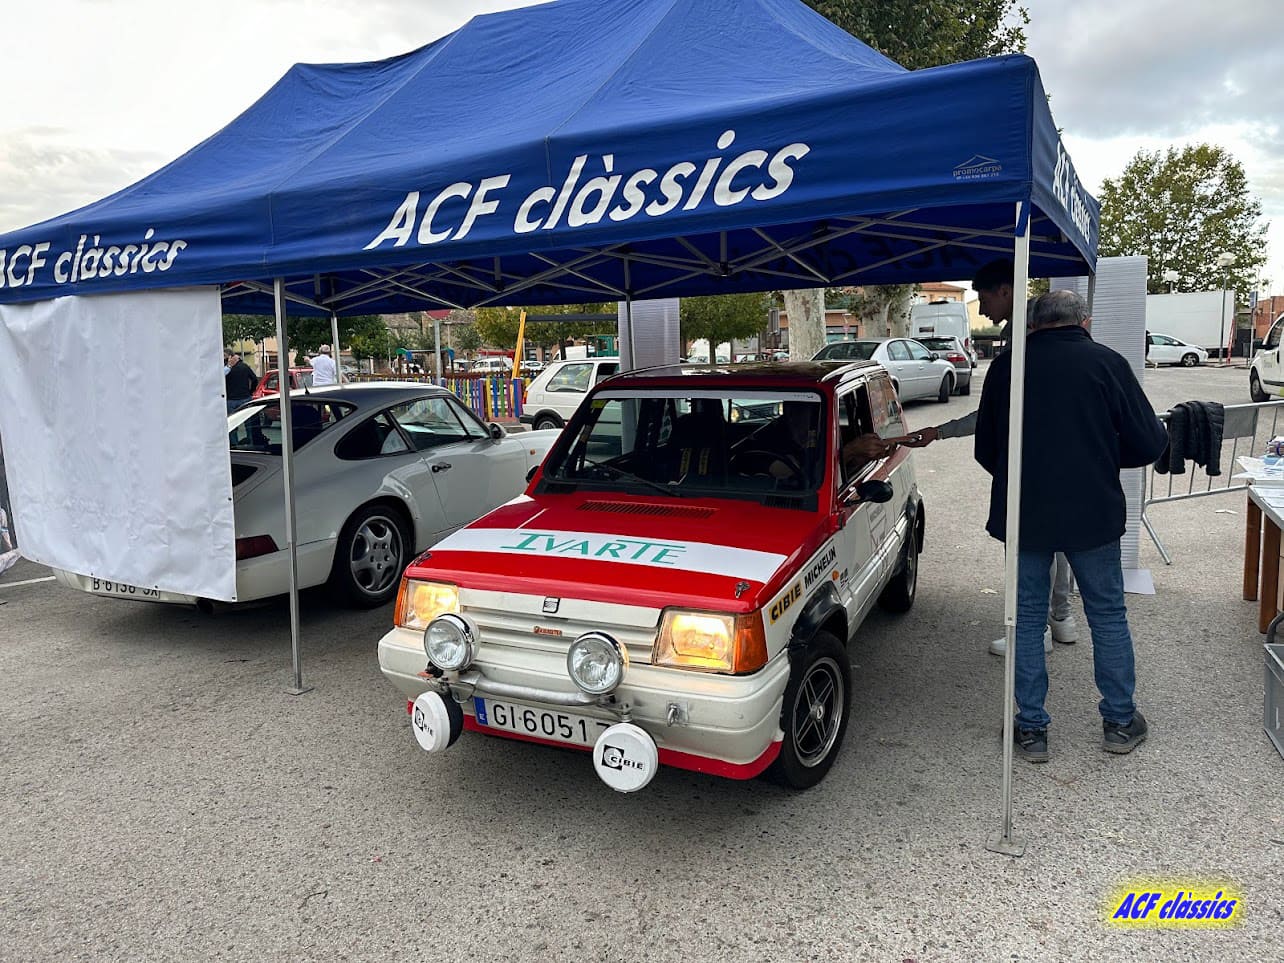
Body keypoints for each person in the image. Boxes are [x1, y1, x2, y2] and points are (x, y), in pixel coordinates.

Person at [975, 289, 1167, 763]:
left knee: (1025, 618)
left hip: (1025, 514)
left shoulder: (1008, 365)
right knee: (1107, 614)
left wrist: (1025, 473)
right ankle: (1119, 721)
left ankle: (1031, 729)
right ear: (1085, 321)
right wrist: (1101, 457)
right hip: (1092, 512)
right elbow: (1149, 442)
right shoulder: (1107, 363)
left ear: (1034, 324)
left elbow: (987, 449)